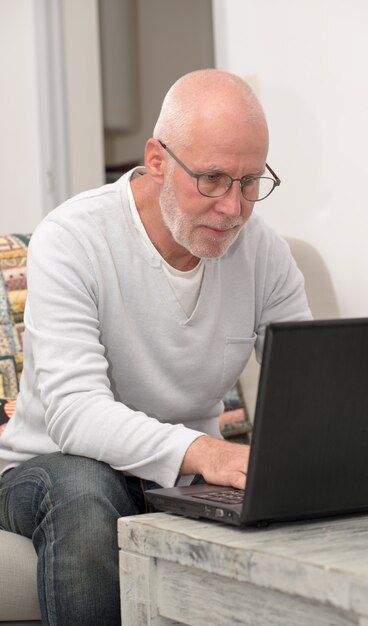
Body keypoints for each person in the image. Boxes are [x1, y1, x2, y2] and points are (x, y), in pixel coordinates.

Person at [0, 69, 311, 625]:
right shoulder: (73, 238)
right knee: (87, 492)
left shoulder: (263, 253)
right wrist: (206, 451)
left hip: (184, 477)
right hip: (50, 465)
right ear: (158, 158)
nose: (233, 208)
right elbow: (76, 415)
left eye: (249, 182)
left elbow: (313, 385)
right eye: (213, 179)